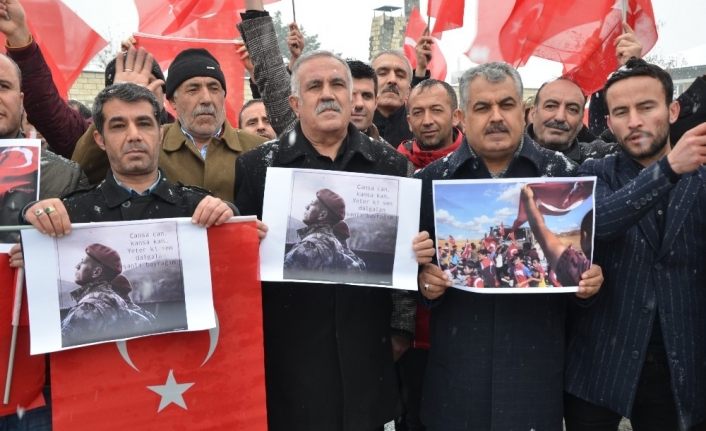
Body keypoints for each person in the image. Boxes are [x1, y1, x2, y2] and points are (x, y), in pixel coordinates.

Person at [412, 62, 604, 430]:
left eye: (506, 105)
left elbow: (588, 275)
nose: (496, 117)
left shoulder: (565, 177)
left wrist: (589, 287)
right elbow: (412, 279)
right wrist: (424, 283)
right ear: (461, 117)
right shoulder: (429, 182)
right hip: (457, 376)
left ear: (525, 111)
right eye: (482, 108)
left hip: (533, 376)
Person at [234, 50, 412, 431]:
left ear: (354, 98)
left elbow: (402, 262)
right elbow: (241, 273)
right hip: (288, 355)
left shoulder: (391, 166)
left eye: (337, 85)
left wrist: (401, 330)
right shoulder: (257, 167)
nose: (327, 94)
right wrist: (246, 245)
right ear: (296, 103)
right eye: (315, 86)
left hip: (367, 354)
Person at [564, 58, 706, 431]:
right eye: (621, 112)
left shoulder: (703, 178)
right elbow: (587, 227)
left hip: (681, 362)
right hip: (601, 361)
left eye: (646, 107)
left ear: (673, 110)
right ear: (608, 123)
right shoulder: (593, 173)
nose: (635, 121)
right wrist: (667, 171)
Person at [71, 47, 266, 200]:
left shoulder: (257, 148)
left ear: (224, 96)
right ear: (172, 101)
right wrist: (118, 98)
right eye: (193, 89)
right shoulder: (149, 141)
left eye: (214, 88)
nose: (206, 98)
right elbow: (84, 169)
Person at [61, 243, 154, 347]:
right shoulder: (114, 299)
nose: (77, 266)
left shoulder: (88, 307)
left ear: (96, 272)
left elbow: (64, 346)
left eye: (82, 262)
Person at [528, 77, 616, 163]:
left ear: (581, 121)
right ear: (533, 113)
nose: (560, 117)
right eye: (551, 106)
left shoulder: (601, 158)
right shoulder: (514, 154)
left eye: (572, 109)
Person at [398, 79, 464, 170]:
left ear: (455, 117)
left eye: (436, 110)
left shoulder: (480, 162)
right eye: (418, 113)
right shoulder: (395, 165)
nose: (427, 121)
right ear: (409, 122)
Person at [283, 188, 347, 279]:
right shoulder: (335, 243)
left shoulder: (308, 246)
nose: (306, 206)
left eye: (312, 204)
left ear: (322, 215)